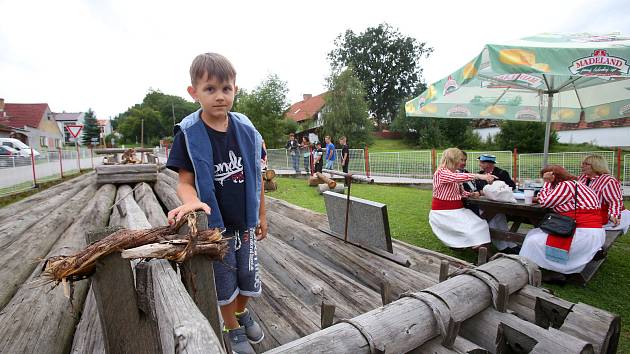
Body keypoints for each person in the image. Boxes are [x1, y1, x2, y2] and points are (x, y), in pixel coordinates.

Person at [165, 52, 265, 354]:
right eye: (210, 89)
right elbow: (185, 181)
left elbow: (258, 179)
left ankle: (240, 312)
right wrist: (192, 201)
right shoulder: (189, 133)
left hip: (245, 222)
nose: (220, 97)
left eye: (226, 89)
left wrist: (262, 214)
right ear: (193, 92)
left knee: (248, 277)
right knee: (224, 280)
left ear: (235, 89)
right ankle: (231, 328)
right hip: (217, 227)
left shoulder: (246, 131)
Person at [519, 165, 604, 278]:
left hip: (582, 232)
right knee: (534, 234)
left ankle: (549, 269)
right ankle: (549, 268)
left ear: (553, 176)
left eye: (545, 177)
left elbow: (545, 202)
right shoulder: (575, 184)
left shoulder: (566, 185)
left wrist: (547, 183)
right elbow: (547, 198)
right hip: (591, 230)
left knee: (533, 240)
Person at [429, 148, 496, 248]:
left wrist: (469, 194)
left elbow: (459, 192)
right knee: (471, 230)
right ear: (453, 160)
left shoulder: (454, 173)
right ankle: (475, 249)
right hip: (444, 212)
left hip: (457, 210)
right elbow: (458, 178)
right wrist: (481, 176)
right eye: (460, 159)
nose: (461, 162)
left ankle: (479, 249)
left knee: (480, 225)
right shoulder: (441, 173)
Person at [579, 155, 630, 233]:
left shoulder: (608, 180)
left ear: (596, 166)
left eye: (586, 164)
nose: (582, 166)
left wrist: (614, 216)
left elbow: (615, 201)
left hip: (610, 216)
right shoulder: (583, 177)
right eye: (582, 163)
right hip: (593, 215)